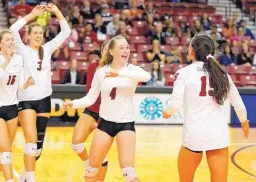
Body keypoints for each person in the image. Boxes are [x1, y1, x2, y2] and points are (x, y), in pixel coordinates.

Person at [162, 34, 250, 182]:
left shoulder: (183, 73)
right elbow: (239, 104)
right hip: (218, 136)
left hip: (193, 136)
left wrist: (166, 112)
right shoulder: (222, 74)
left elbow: (174, 105)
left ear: (191, 51)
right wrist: (244, 122)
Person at [64, 35, 151, 182]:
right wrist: (74, 103)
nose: (126, 50)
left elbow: (146, 77)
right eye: (121, 47)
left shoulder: (132, 70)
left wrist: (119, 73)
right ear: (111, 51)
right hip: (105, 124)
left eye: (127, 47)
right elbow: (91, 98)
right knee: (91, 170)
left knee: (129, 171)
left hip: (126, 124)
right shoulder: (101, 72)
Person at [10, 4, 71, 182]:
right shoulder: (22, 49)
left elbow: (65, 32)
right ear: (28, 36)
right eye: (34, 33)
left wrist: (57, 12)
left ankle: (24, 176)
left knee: (37, 147)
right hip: (27, 101)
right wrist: (31, 15)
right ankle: (31, 178)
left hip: (44, 100)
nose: (38, 35)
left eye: (40, 33)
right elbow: (13, 29)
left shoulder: (48, 49)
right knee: (30, 140)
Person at [0, 29, 34, 182]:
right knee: (6, 151)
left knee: (4, 150)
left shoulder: (19, 59)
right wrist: (6, 60)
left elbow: (18, 85)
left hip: (12, 108)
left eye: (11, 39)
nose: (10, 42)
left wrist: (26, 84)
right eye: (6, 40)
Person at [71, 41, 109, 182]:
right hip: (92, 108)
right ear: (102, 51)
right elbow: (89, 91)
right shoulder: (93, 66)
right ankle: (88, 166)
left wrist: (100, 122)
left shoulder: (118, 69)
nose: (106, 51)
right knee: (76, 144)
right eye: (104, 49)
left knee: (101, 152)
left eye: (109, 49)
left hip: (108, 114)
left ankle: (99, 179)